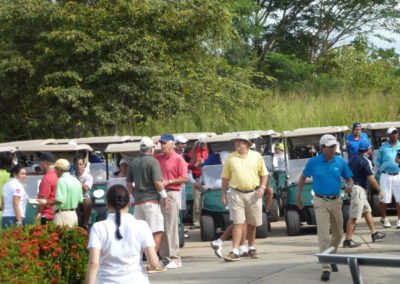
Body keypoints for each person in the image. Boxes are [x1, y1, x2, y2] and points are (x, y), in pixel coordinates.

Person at [297, 134, 353, 282]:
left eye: (334, 146)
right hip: (320, 201)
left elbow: (349, 178)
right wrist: (298, 196)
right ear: (322, 148)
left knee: (339, 233)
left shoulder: (340, 162)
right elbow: (303, 177)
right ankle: (326, 266)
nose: (332, 149)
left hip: (336, 201)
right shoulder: (313, 162)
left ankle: (331, 256)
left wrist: (350, 185)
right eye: (329, 147)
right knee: (323, 235)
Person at [87, 184, 161, 284]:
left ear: (107, 204)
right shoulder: (141, 225)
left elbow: (93, 263)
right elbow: (153, 263)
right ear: (129, 203)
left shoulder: (98, 227)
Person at [221, 133, 268, 262]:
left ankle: (251, 247)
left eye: (240, 142)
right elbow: (225, 178)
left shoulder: (256, 156)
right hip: (236, 193)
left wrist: (263, 187)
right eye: (236, 142)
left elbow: (264, 174)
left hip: (254, 193)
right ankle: (235, 250)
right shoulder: (230, 158)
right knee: (238, 222)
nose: (237, 144)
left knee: (252, 223)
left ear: (247, 144)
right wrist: (223, 193)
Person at [127, 137, 167, 273]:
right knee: (156, 232)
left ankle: (136, 264)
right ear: (151, 149)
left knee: (138, 234)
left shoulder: (133, 163)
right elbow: (157, 182)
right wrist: (164, 196)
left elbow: (128, 184)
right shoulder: (153, 161)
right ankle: (152, 264)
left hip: (138, 202)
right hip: (151, 202)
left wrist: (135, 195)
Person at [343, 139, 386, 248]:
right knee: (353, 216)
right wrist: (380, 190)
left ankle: (374, 234)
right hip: (358, 190)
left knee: (367, 211)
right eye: (370, 148)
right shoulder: (365, 160)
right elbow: (371, 178)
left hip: (354, 188)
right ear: (368, 149)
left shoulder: (352, 159)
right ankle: (348, 240)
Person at [211, 185, 273, 258]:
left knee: (242, 221)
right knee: (240, 222)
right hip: (238, 191)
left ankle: (240, 247)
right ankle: (220, 242)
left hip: (248, 191)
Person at [155, 133, 188, 269]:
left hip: (172, 192)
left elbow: (184, 178)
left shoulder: (178, 159)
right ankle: (165, 257)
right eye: (161, 143)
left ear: (172, 144)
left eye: (164, 143)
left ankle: (175, 257)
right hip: (159, 194)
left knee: (171, 226)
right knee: (161, 226)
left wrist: (169, 181)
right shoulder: (157, 158)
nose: (162, 145)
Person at [38, 159, 83, 228]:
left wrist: (46, 202)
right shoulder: (76, 180)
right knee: (72, 237)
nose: (55, 171)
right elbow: (80, 200)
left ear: (59, 169)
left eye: (55, 169)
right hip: (74, 214)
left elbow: (60, 200)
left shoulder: (61, 181)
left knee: (60, 237)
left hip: (62, 214)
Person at [375, 127, 400, 228]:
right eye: (392, 134)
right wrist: (373, 175)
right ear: (388, 135)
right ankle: (384, 217)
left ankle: (399, 220)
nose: (395, 135)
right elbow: (377, 164)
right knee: (385, 199)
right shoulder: (383, 148)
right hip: (385, 175)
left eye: (396, 133)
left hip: (398, 175)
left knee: (399, 199)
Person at [188, 134, 209, 229]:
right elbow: (190, 163)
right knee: (197, 201)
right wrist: (196, 148)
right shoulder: (194, 152)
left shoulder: (209, 151)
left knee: (208, 199)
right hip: (197, 177)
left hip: (209, 178)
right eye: (202, 143)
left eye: (205, 143)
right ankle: (196, 221)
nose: (203, 145)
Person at [1, 164, 29, 228]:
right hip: (16, 218)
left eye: (25, 174)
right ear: (15, 174)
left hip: (5, 217)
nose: (24, 176)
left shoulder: (5, 185)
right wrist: (19, 221)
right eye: (22, 174)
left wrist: (5, 214)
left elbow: (3, 203)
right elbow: (16, 203)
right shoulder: (18, 185)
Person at [36, 152, 58, 225]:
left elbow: (43, 199)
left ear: (45, 162)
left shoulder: (47, 178)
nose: (39, 165)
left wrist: (38, 212)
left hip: (47, 216)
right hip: (56, 214)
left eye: (40, 162)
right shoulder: (58, 175)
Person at [76, 158, 93, 230]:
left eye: (80, 164)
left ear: (84, 166)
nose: (79, 166)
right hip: (74, 197)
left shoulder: (88, 176)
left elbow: (86, 189)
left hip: (84, 197)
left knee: (87, 201)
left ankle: (86, 223)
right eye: (77, 165)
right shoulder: (72, 175)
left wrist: (76, 182)